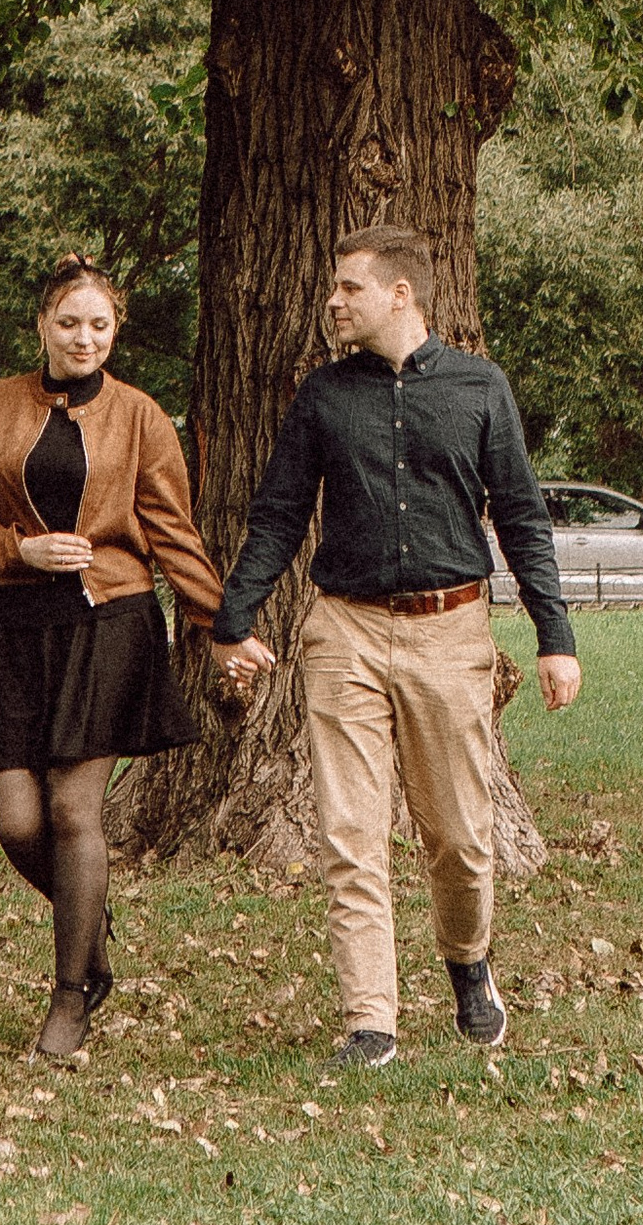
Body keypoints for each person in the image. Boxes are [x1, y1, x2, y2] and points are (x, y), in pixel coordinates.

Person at [211, 224, 581, 1067]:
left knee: (460, 837)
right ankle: (370, 1019)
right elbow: (278, 515)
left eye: (350, 287)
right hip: (343, 631)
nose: (333, 302)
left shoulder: (481, 388)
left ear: (400, 294)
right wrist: (235, 617)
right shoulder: (322, 396)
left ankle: (468, 964)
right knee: (351, 833)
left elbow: (523, 519)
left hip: (450, 632)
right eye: (335, 286)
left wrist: (554, 637)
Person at [0, 259, 225, 1062]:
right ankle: (88, 924)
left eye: (99, 325)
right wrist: (18, 549)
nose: (83, 339)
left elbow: (171, 531)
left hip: (110, 623)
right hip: (17, 627)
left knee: (74, 811)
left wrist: (222, 623)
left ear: (115, 331)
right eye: (69, 323)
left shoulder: (139, 416)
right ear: (42, 326)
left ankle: (72, 995)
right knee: (16, 821)